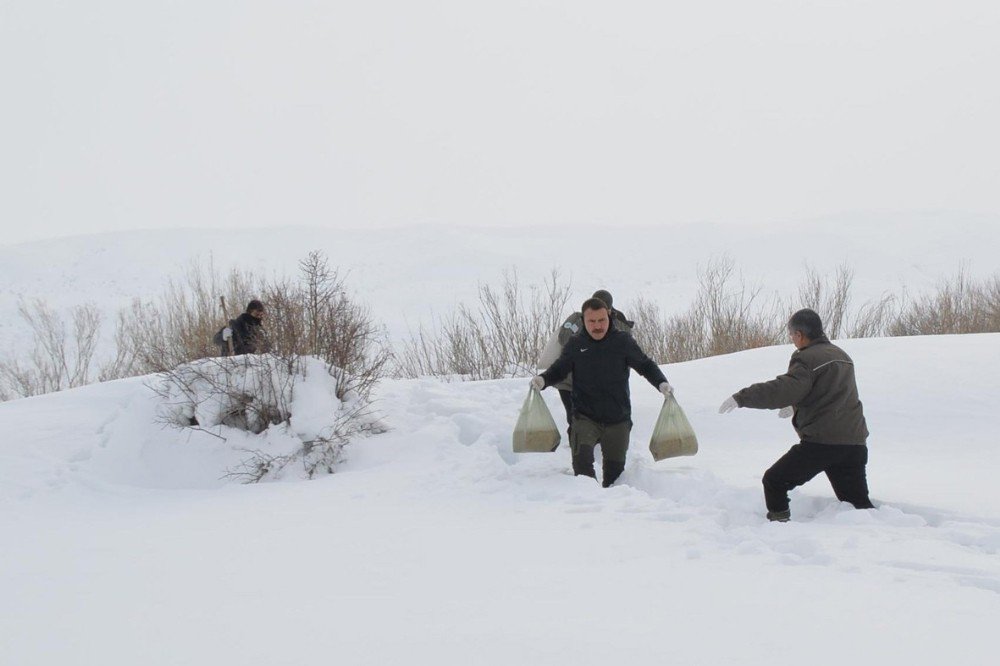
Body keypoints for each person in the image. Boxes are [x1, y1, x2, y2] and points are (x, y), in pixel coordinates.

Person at [718, 308, 874, 522]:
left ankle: (780, 527)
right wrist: (797, 405)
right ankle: (876, 537)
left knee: (774, 481)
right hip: (854, 443)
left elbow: (783, 389)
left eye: (792, 335)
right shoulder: (842, 356)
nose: (792, 340)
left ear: (800, 334)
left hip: (822, 443)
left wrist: (743, 397)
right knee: (857, 504)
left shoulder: (807, 358)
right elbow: (834, 393)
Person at [531, 297, 671, 487]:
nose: (598, 326)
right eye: (592, 321)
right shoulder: (575, 344)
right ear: (584, 321)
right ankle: (588, 508)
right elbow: (559, 369)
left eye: (601, 320)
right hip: (585, 417)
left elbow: (645, 365)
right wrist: (543, 380)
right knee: (582, 471)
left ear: (609, 317)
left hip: (618, 419)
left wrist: (661, 383)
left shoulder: (623, 342)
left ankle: (612, 512)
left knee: (615, 478)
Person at [541, 289, 635, 434]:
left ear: (609, 310)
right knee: (575, 420)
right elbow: (564, 338)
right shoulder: (576, 320)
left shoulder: (619, 326)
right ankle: (579, 449)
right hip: (569, 382)